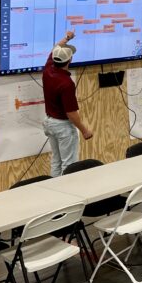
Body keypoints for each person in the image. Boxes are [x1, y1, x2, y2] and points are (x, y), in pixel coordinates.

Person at [42, 30, 93, 177]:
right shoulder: (66, 83)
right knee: (69, 165)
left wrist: (67, 38)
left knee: (56, 161)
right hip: (63, 127)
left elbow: (55, 48)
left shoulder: (48, 69)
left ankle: (57, 195)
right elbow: (71, 113)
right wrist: (84, 130)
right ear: (69, 60)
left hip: (50, 123)